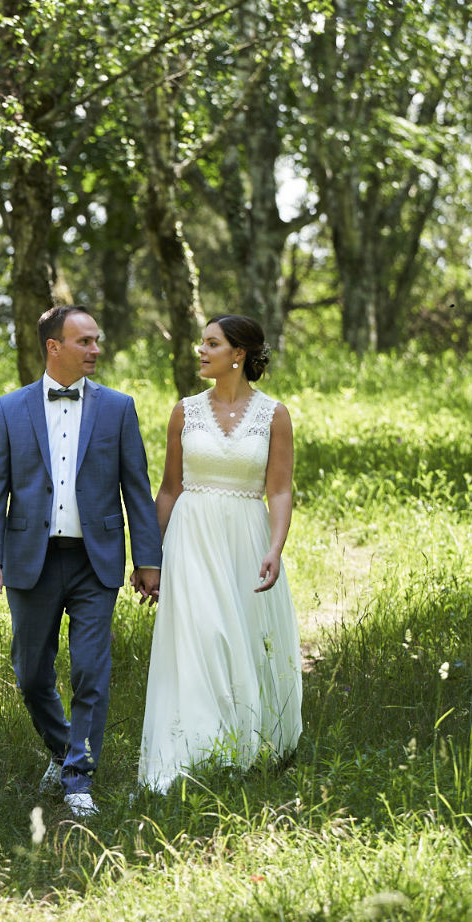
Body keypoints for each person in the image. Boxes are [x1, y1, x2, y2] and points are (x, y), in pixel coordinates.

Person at [0, 305, 163, 817]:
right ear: (53, 347)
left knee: (90, 670)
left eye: (97, 340)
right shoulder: (11, 408)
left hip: (94, 561)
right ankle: (61, 749)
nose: (95, 349)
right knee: (32, 673)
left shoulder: (118, 408)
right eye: (84, 341)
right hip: (28, 560)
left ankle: (79, 777)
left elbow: (137, 490)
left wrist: (149, 559)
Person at [139, 313, 302, 792]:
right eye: (202, 342)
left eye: (212, 343)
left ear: (239, 355)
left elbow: (280, 491)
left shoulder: (275, 415)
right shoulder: (184, 411)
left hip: (248, 538)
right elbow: (168, 489)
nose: (201, 350)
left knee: (244, 640)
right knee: (202, 637)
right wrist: (151, 557)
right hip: (191, 537)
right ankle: (195, 751)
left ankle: (247, 746)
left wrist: (275, 547)